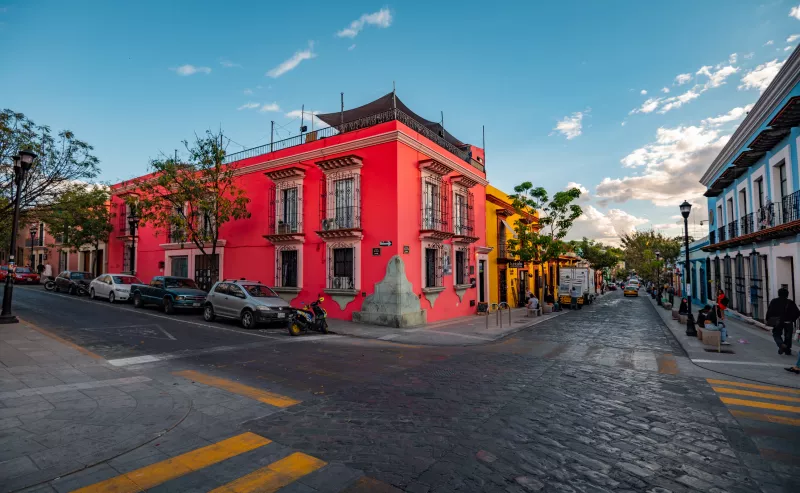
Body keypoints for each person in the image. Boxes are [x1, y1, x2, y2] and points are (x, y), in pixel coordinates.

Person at [765, 287, 800, 356]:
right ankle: (787, 350)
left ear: (778, 294)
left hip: (777, 322)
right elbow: (797, 312)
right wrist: (792, 319)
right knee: (788, 336)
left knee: (776, 334)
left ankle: (781, 344)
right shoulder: (790, 302)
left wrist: (768, 319)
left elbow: (769, 311)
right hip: (788, 322)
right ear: (787, 294)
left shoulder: (774, 301)